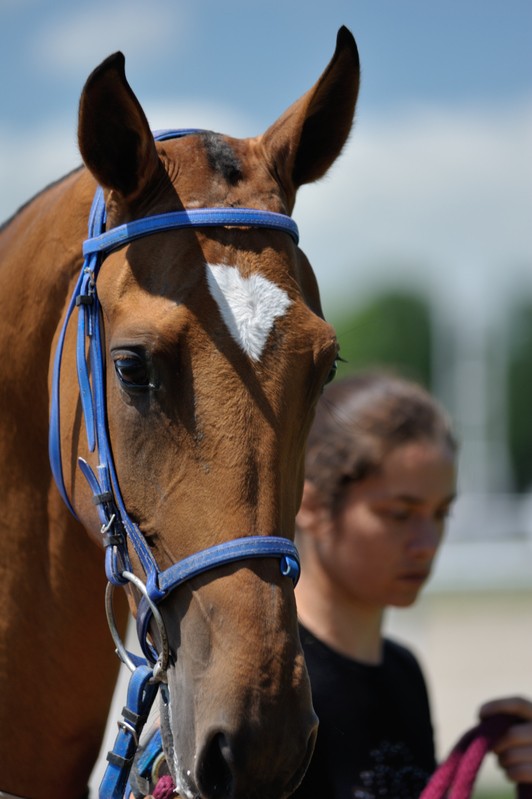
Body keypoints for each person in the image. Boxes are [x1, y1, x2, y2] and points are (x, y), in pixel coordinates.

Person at [290, 370, 532, 798]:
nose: (427, 544)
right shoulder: (275, 680)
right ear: (310, 506)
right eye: (399, 514)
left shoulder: (403, 672)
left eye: (441, 514)